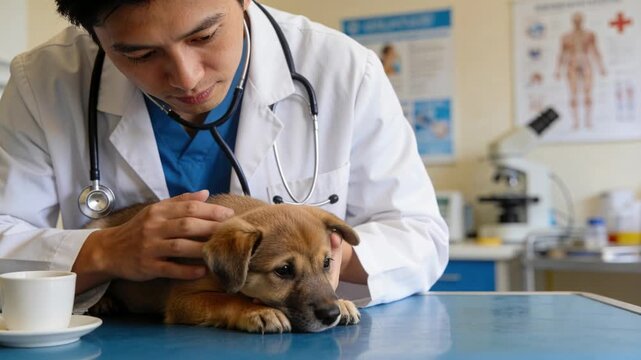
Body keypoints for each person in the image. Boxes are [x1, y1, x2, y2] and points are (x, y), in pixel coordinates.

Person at [0, 0, 448, 312]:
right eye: (139, 53)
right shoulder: (43, 83)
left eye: (205, 35)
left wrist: (316, 259)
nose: (185, 77)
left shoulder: (343, 69)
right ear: (94, 35)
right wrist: (103, 251)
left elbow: (420, 234)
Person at [554, 12, 606, 129]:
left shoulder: (589, 35)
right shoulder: (566, 37)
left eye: (579, 20)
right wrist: (558, 70)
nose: (577, 23)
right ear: (572, 22)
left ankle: (588, 121)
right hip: (572, 63)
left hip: (585, 62)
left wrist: (601, 67)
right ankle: (576, 122)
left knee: (588, 93)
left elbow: (595, 51)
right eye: (575, 20)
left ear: (582, 21)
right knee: (573, 94)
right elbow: (562, 54)